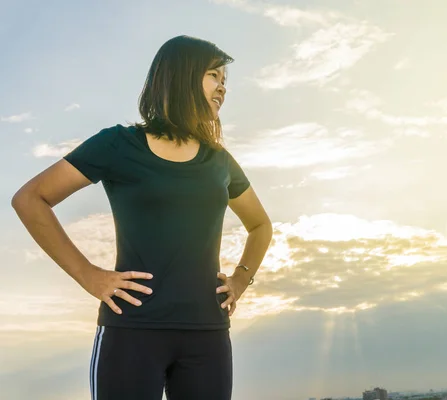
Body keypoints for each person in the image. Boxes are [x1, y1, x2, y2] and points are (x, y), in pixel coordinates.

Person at [11, 35, 273, 400]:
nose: (223, 87)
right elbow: (30, 199)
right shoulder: (118, 145)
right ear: (182, 75)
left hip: (207, 334)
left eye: (225, 80)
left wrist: (242, 279)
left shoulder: (219, 162)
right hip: (132, 330)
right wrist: (89, 276)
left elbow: (260, 226)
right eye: (214, 75)